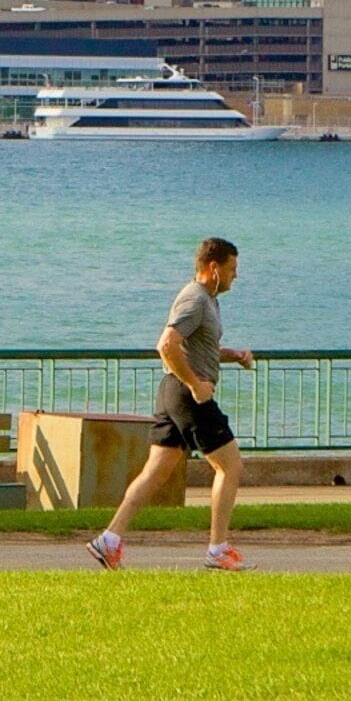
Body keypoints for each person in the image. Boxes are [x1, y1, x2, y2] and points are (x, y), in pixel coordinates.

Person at [87, 235, 256, 571]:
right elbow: (166, 345)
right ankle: (218, 548)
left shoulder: (208, 300)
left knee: (156, 472)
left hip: (172, 391)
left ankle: (109, 540)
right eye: (232, 268)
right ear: (213, 267)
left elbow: (195, 349)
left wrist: (232, 355)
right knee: (231, 466)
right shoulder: (195, 299)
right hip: (186, 394)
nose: (236, 275)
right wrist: (195, 385)